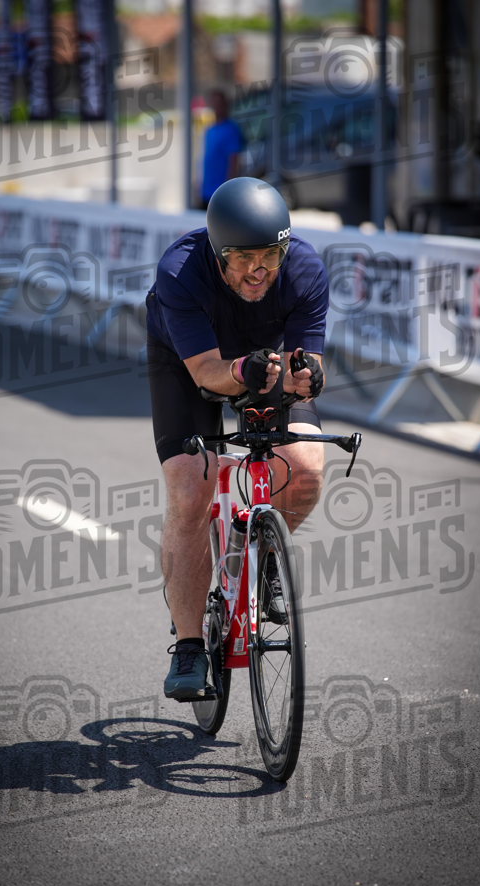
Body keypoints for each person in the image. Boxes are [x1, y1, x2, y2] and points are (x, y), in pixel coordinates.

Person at [146, 176, 328, 701]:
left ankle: (262, 556)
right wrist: (243, 373)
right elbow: (206, 373)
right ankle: (187, 646)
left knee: (306, 469)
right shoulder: (180, 272)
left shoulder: (304, 269)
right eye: (245, 259)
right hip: (189, 363)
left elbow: (308, 359)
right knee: (189, 489)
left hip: (261, 362)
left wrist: (306, 377)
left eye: (270, 256)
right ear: (217, 252)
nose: (259, 270)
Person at [200, 90, 243, 208]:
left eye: (219, 103)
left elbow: (234, 161)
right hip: (206, 192)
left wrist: (228, 191)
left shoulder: (231, 130)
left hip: (220, 194)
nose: (216, 106)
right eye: (214, 103)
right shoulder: (209, 130)